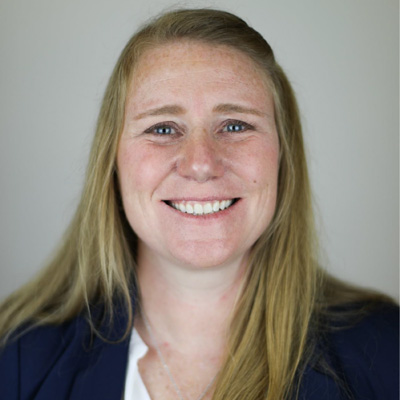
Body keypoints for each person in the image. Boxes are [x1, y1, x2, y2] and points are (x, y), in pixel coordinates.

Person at [0, 8, 398, 400]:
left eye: (235, 125)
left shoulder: (387, 353)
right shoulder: (16, 359)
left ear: (282, 153)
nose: (201, 163)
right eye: (163, 128)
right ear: (113, 161)